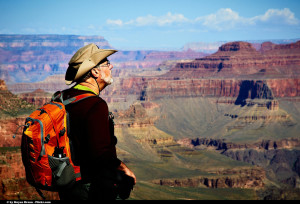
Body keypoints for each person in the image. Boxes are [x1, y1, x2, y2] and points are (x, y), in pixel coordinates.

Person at [58, 43, 136, 200]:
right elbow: (101, 155)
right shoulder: (96, 105)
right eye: (107, 63)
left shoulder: (62, 97)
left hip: (68, 185)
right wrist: (124, 169)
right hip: (90, 188)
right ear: (95, 72)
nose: (111, 66)